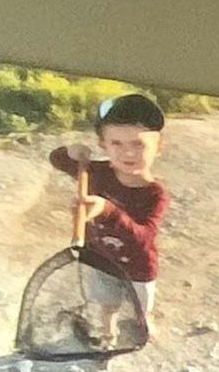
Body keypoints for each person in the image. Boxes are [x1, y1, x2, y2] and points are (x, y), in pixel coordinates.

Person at [47, 91, 169, 341]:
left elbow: (143, 237)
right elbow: (57, 159)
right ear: (103, 145)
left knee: (141, 303)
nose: (128, 153)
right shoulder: (95, 172)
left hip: (138, 265)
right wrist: (70, 151)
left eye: (138, 144)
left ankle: (144, 318)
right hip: (98, 258)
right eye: (117, 144)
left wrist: (107, 210)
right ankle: (107, 329)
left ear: (158, 148)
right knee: (106, 302)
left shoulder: (155, 193)